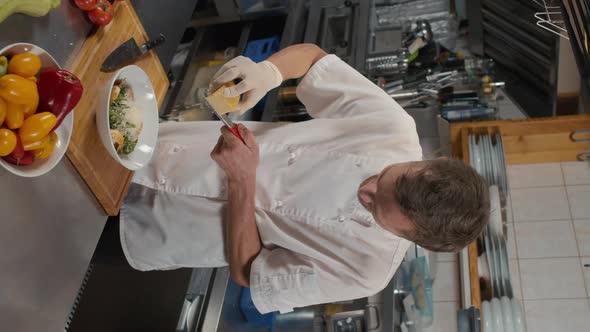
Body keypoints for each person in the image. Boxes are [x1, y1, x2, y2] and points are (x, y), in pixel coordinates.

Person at [121, 44, 489, 314]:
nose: (367, 189)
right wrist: (268, 73)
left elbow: (249, 272)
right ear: (428, 162)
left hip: (153, 231)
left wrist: (242, 182)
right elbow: (314, 60)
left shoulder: (368, 271)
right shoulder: (393, 130)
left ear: (410, 238)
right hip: (159, 145)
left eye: (374, 206)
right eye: (384, 177)